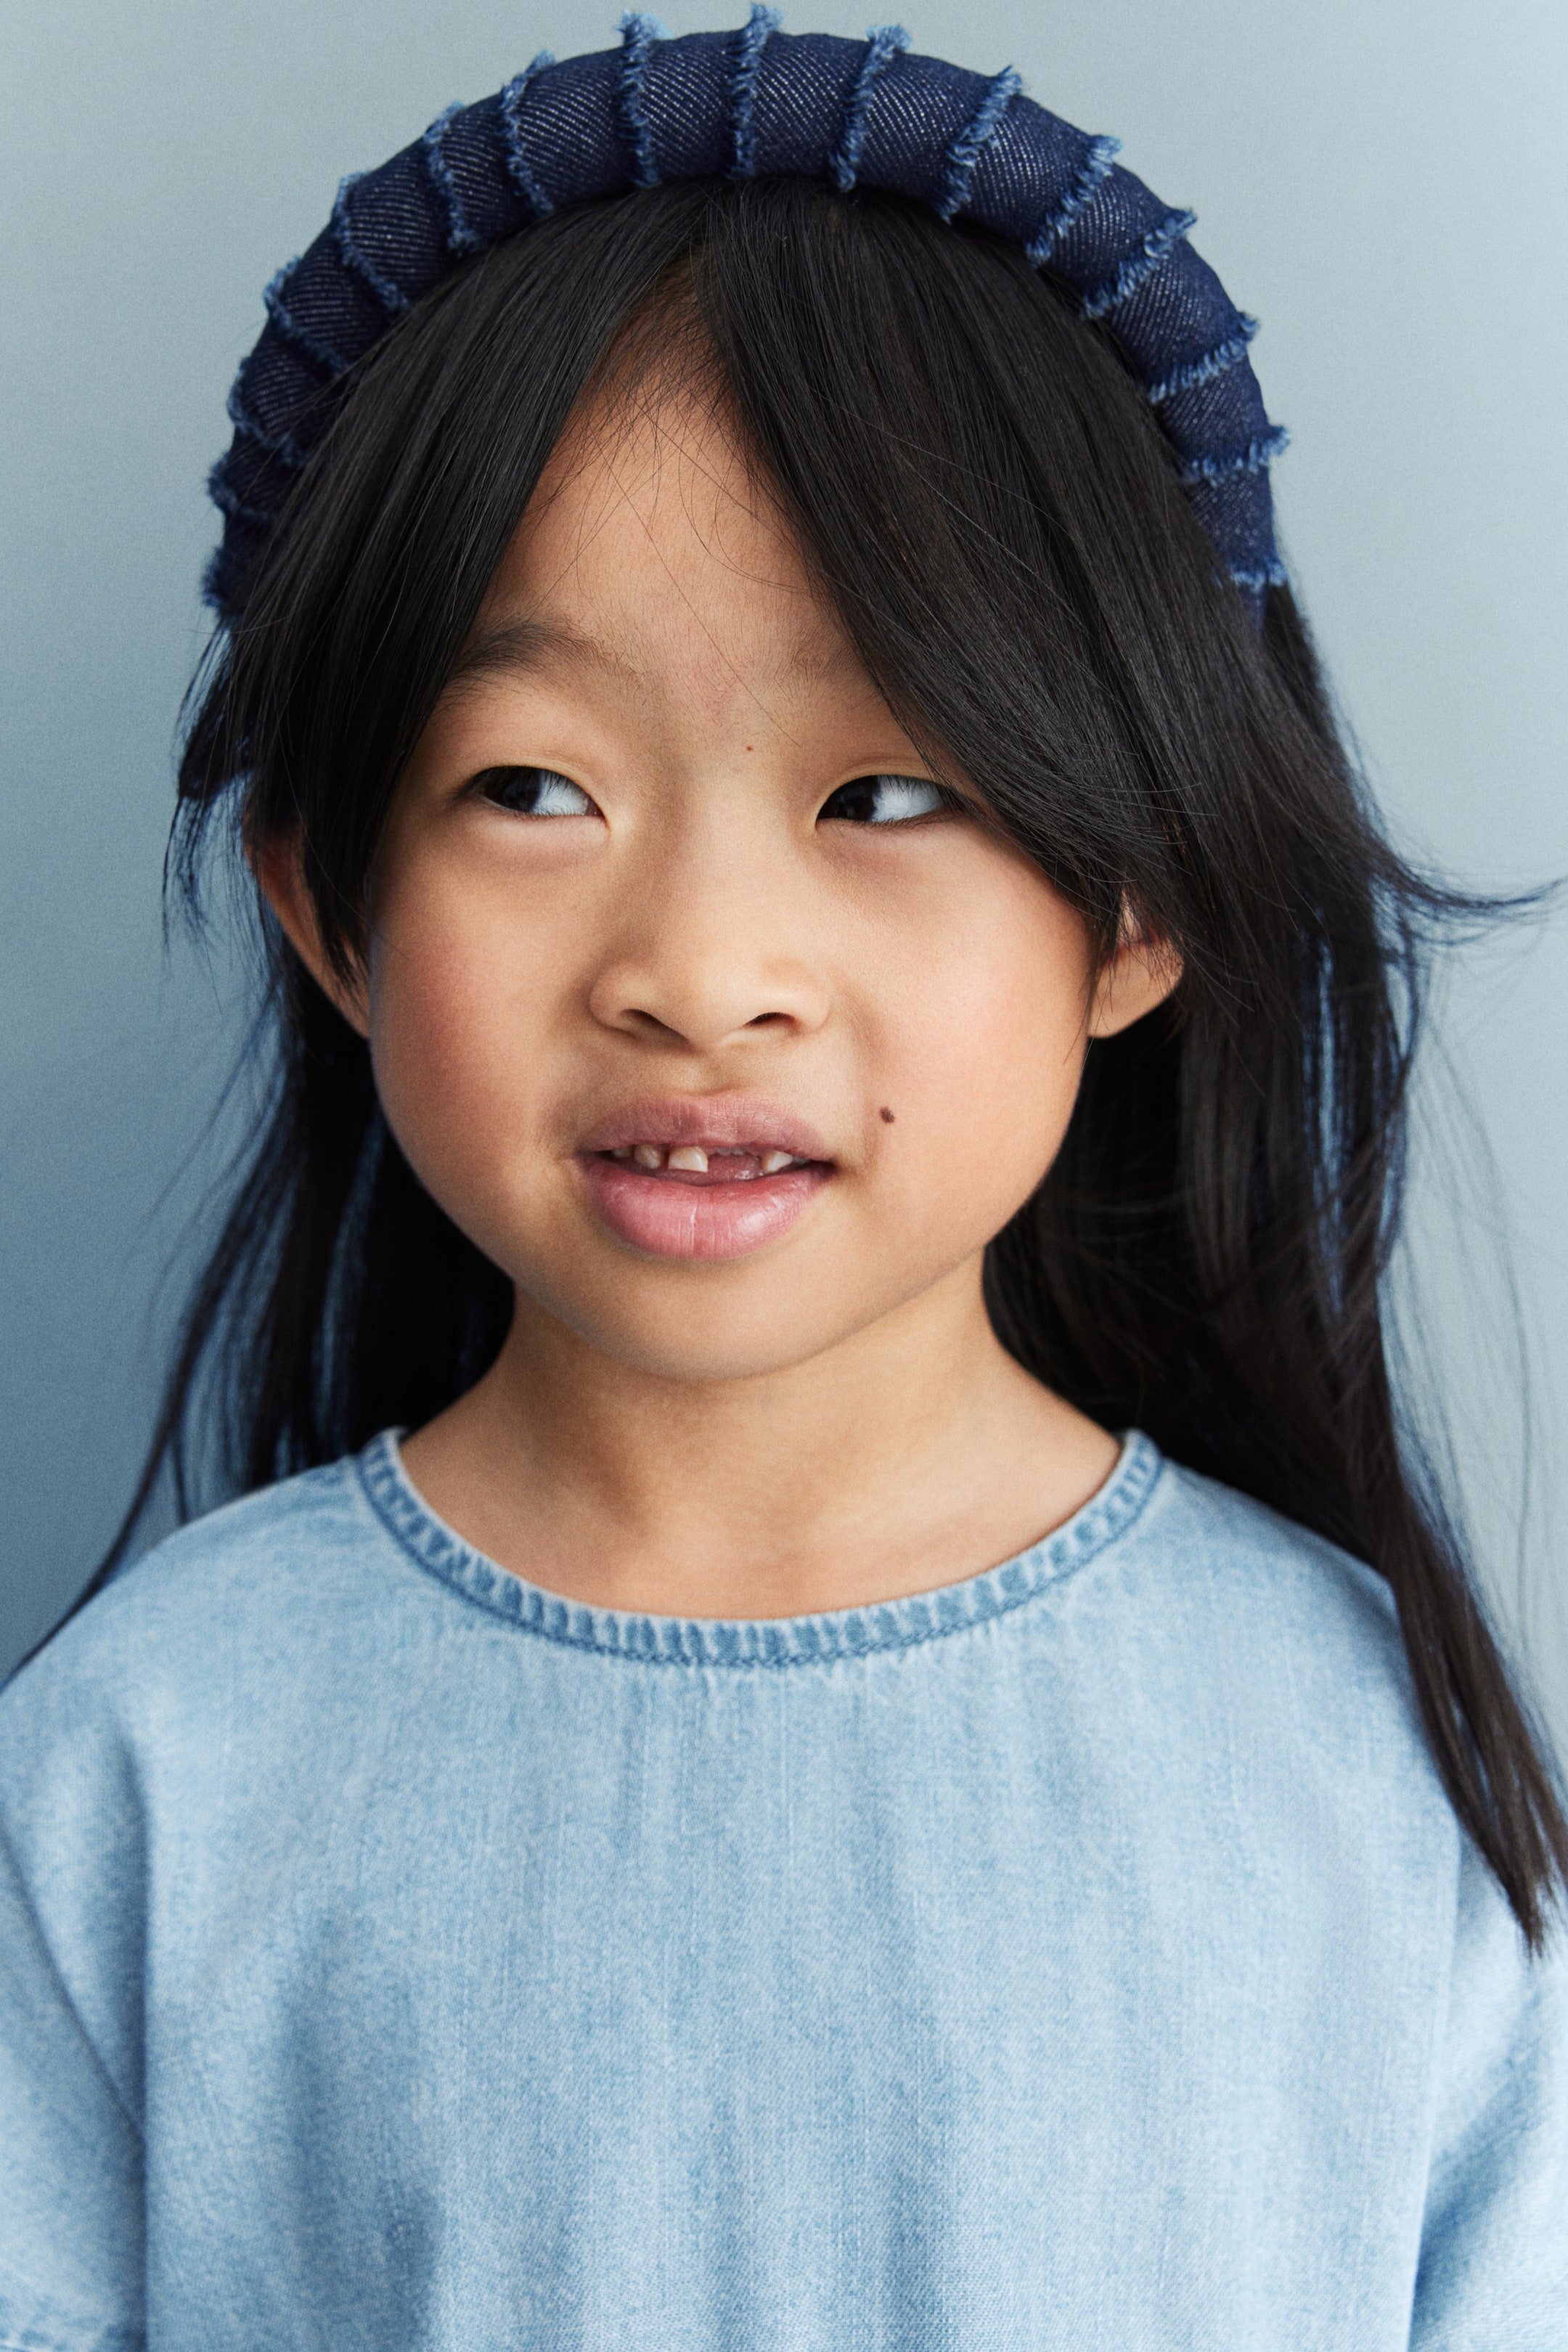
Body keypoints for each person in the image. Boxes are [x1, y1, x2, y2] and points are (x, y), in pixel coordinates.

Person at [1, 16, 1563, 2345]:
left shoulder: (1364, 1769)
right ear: (330, 906)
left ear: (1137, 905)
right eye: (533, 788)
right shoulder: (142, 1766)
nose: (706, 973)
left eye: (892, 794)